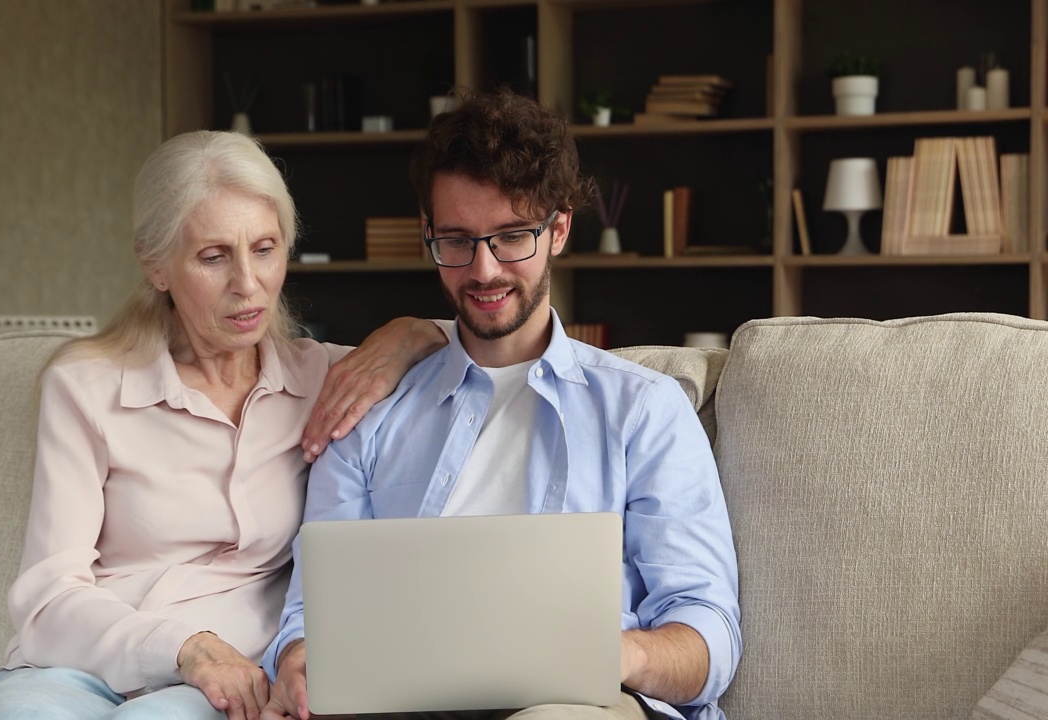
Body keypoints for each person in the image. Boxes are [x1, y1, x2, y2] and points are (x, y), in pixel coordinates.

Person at [262, 89, 741, 720]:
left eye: (512, 237)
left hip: (580, 702)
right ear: (428, 234)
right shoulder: (368, 411)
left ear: (559, 229)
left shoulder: (643, 410)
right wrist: (298, 660)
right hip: (408, 701)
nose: (483, 270)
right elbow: (309, 613)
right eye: (456, 242)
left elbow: (708, 634)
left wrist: (614, 655)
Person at [0, 130, 448, 720]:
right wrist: (185, 647)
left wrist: (413, 331)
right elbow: (47, 596)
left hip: (231, 679)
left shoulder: (329, 379)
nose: (248, 283)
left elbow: (480, 339)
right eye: (213, 257)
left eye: (265, 249)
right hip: (82, 666)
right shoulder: (85, 385)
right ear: (155, 264)